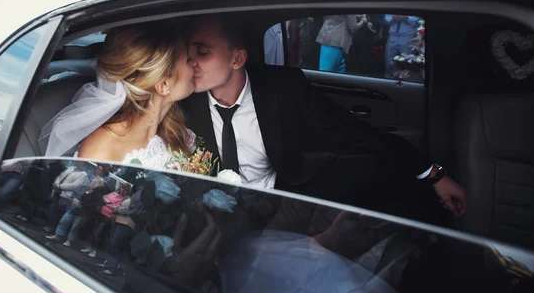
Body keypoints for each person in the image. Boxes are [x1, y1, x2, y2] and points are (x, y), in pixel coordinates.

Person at [180, 15, 468, 225]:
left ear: (237, 58)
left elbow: (356, 133)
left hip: (277, 203)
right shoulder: (184, 102)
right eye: (188, 51)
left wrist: (433, 173)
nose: (190, 61)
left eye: (202, 52)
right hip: (210, 215)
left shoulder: (283, 90)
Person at [39, 25, 196, 167]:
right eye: (188, 60)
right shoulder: (101, 149)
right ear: (163, 85)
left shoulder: (173, 129)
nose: (195, 64)